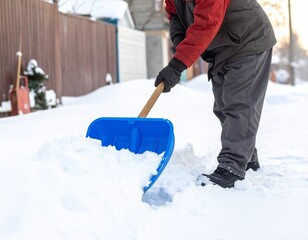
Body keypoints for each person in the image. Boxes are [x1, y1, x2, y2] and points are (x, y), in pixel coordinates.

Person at [155, 0, 276, 188]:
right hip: (222, 47)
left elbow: (207, 23)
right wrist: (180, 41)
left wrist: (177, 65)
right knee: (222, 106)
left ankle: (232, 167)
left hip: (247, 38)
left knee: (239, 104)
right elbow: (174, 15)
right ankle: (247, 157)